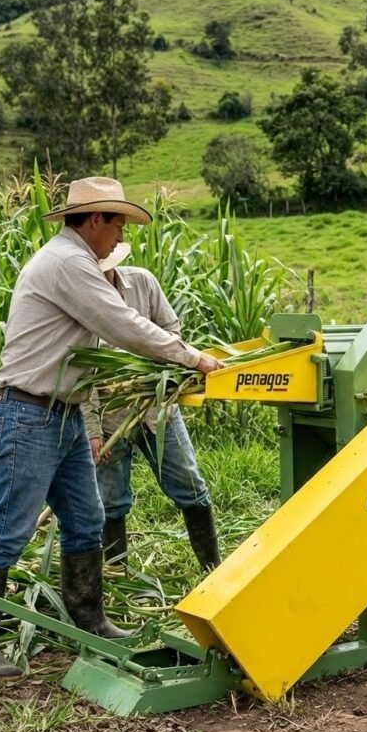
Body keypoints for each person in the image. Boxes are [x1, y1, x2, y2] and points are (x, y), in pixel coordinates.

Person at [0, 176, 224, 679]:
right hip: (28, 413)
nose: (121, 235)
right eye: (118, 222)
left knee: (86, 519)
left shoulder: (75, 259)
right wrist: (191, 357)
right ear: (97, 219)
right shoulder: (67, 262)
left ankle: (91, 618)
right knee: (9, 530)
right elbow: (121, 323)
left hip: (62, 414)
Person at [83, 244, 221, 572]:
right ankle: (120, 576)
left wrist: (153, 369)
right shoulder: (81, 301)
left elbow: (171, 332)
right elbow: (81, 373)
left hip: (157, 410)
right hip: (110, 417)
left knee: (190, 485)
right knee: (111, 499)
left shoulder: (142, 283)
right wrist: (91, 431)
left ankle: (213, 570)